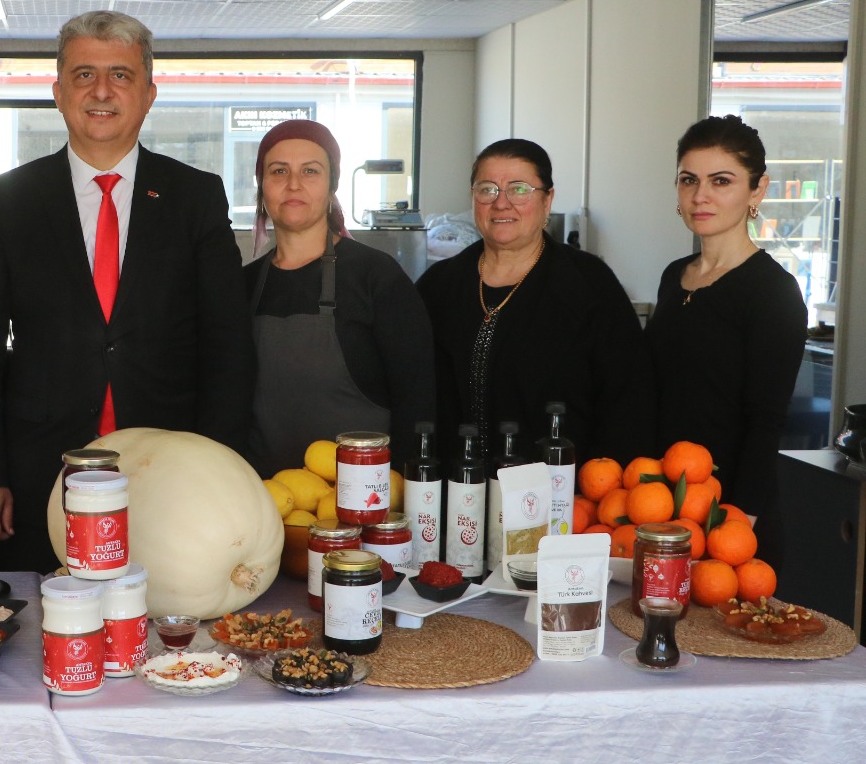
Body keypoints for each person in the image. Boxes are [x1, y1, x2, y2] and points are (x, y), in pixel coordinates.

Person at [0, 10, 255, 573]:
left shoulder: (196, 196)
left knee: (167, 632)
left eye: (120, 75)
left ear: (148, 94)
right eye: (84, 74)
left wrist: (219, 469)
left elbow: (228, 345)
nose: (101, 91)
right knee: (45, 634)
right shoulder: (9, 200)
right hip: (40, 472)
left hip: (172, 471)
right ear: (58, 92)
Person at [416, 138, 655, 466]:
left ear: (547, 200)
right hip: (454, 496)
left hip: (561, 498)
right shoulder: (438, 286)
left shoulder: (588, 284)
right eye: (488, 189)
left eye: (519, 189)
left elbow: (628, 401)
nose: (502, 203)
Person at [648, 115, 806, 568]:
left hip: (729, 516)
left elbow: (765, 421)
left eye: (721, 181)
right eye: (688, 180)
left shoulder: (773, 292)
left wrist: (737, 525)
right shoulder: (673, 277)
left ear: (757, 190)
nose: (701, 196)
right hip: (661, 503)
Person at [245, 119, 434, 474]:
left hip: (365, 502)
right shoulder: (242, 286)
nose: (294, 184)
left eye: (311, 171)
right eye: (278, 171)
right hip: (262, 498)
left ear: (332, 185)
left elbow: (417, 400)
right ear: (262, 186)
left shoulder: (377, 277)